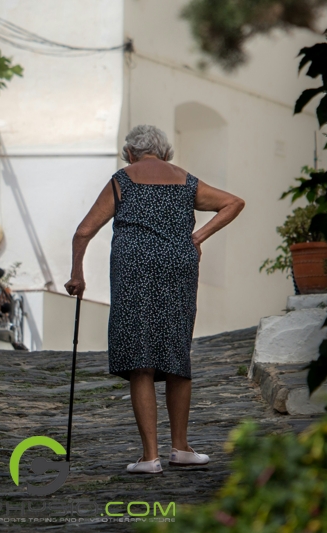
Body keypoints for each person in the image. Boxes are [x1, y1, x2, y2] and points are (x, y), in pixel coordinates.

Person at [64, 125, 245, 474]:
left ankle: (150, 457)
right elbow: (233, 203)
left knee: (140, 358)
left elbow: (84, 231)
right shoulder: (185, 180)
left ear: (131, 153)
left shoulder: (124, 179)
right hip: (178, 268)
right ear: (164, 152)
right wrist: (198, 237)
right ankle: (181, 447)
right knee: (177, 353)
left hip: (133, 270)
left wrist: (77, 274)